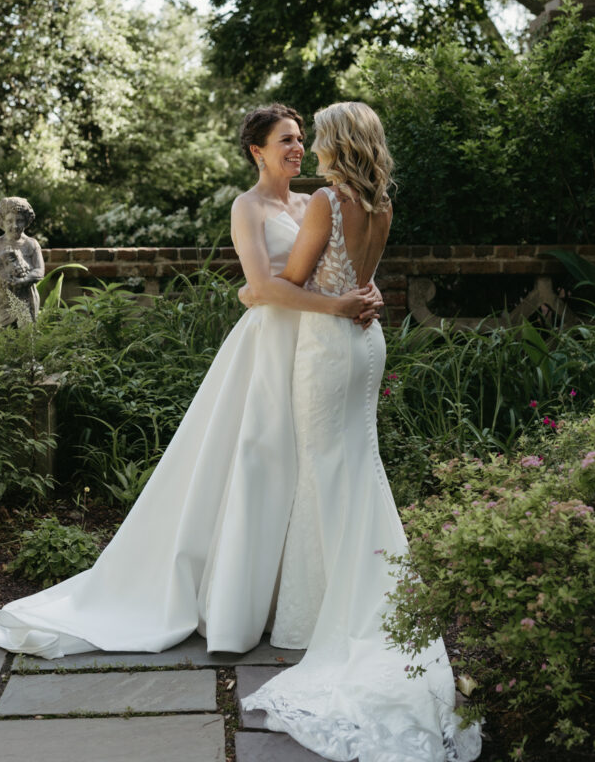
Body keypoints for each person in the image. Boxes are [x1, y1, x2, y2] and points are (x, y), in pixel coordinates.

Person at [0, 103, 381, 658]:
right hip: (267, 349)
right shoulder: (247, 206)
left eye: (300, 137)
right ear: (257, 150)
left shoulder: (316, 202)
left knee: (300, 469)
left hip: (311, 346)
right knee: (258, 464)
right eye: (285, 139)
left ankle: (291, 597)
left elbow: (329, 268)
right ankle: (237, 602)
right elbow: (261, 285)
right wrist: (265, 294)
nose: (297, 147)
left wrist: (355, 293)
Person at [240, 103, 482, 762]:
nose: (311, 143)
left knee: (327, 475)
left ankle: (336, 617)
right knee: (354, 470)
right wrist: (350, 295)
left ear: (337, 143)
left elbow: (291, 282)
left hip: (326, 347)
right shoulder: (379, 203)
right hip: (366, 342)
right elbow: (361, 281)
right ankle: (349, 604)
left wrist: (257, 292)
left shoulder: (325, 200)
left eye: (317, 134)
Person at [0, 197, 45, 327]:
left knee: (27, 336)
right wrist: (0, 260)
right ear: (2, 222)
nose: (15, 226)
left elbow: (40, 271)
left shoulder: (31, 244)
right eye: (9, 221)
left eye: (20, 220)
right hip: (3, 299)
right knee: (7, 336)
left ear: (26, 221)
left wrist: (23, 281)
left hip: (26, 298)